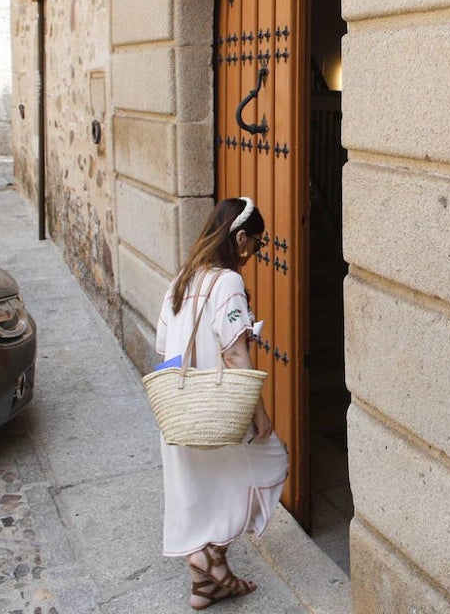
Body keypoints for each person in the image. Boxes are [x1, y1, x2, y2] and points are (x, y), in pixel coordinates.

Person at [154, 196, 288, 610]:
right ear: (240, 236)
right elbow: (234, 353)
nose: (255, 254)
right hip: (220, 408)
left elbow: (164, 345)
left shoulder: (184, 277)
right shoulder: (226, 282)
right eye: (256, 245)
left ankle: (206, 583)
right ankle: (209, 557)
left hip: (181, 409)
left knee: (206, 489)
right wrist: (259, 413)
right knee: (269, 461)